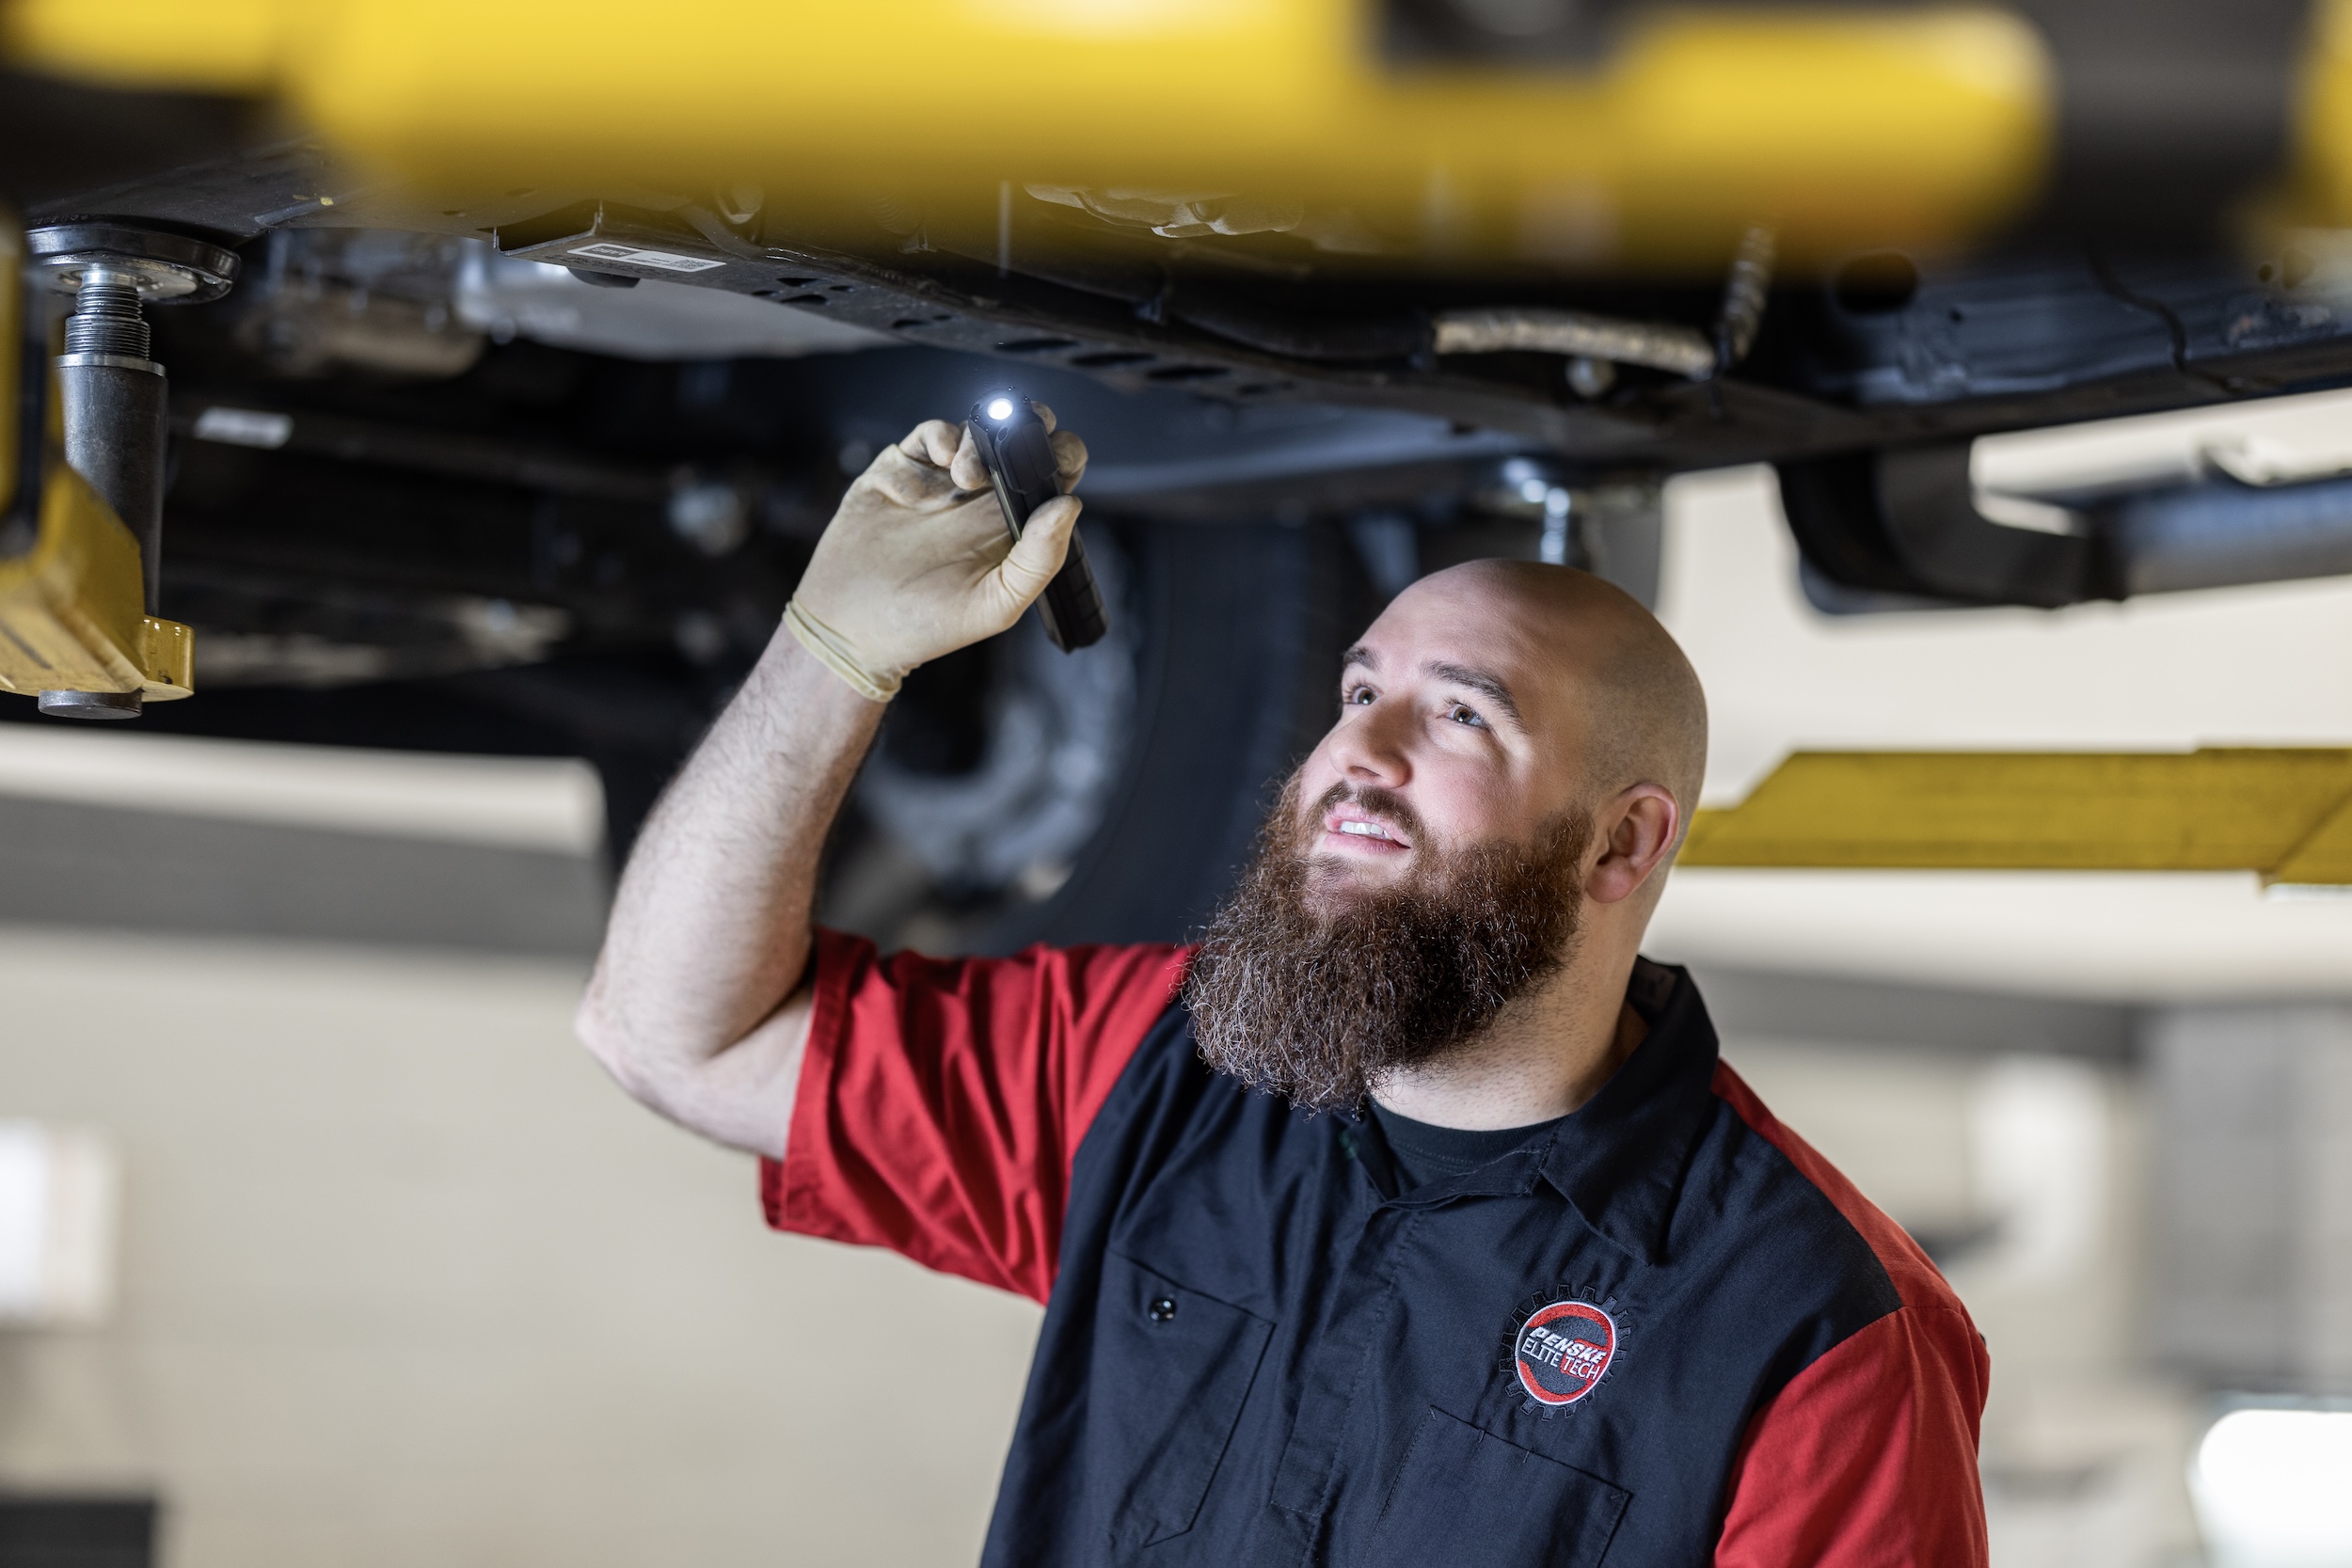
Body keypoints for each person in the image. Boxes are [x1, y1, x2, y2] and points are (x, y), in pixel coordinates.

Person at [577, 409, 1992, 1567]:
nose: (1356, 755)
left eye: (1459, 715)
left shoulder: (1814, 1331)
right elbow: (676, 1036)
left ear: (1623, 842)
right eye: (1356, 692)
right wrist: (834, 653)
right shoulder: (1159, 1069)